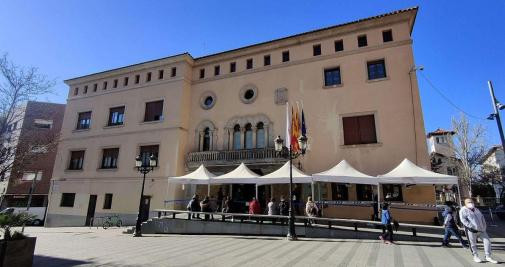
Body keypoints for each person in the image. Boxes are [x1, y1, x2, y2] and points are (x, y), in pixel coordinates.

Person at [459, 198, 498, 264]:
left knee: (487, 242)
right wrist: (471, 227)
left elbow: (482, 218)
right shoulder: (463, 210)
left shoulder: (476, 209)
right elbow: (463, 220)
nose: (470, 203)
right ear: (465, 204)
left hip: (481, 230)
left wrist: (484, 227)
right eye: (468, 202)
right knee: (473, 244)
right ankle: (475, 256)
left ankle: (488, 256)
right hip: (471, 231)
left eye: (471, 202)